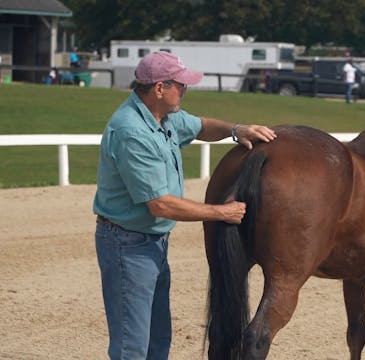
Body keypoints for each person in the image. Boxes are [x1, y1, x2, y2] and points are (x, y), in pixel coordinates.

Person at [93, 51, 276, 360]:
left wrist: (236, 130)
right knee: (132, 346)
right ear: (159, 88)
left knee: (157, 340)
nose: (186, 90)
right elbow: (160, 205)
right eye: (181, 85)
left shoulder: (162, 116)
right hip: (128, 246)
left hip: (148, 244)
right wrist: (221, 212)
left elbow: (201, 126)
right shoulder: (132, 131)